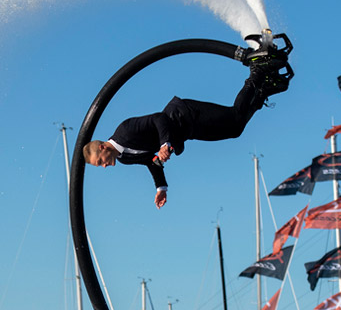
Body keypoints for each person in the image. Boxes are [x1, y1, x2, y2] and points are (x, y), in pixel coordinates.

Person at [83, 46, 291, 208]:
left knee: (234, 117)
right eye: (99, 165)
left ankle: (256, 73)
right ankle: (263, 89)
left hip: (184, 113)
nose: (104, 166)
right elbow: (151, 162)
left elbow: (158, 118)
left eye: (100, 161)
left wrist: (164, 144)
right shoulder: (124, 158)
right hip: (187, 132)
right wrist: (160, 187)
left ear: (102, 147)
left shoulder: (125, 131)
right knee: (235, 130)